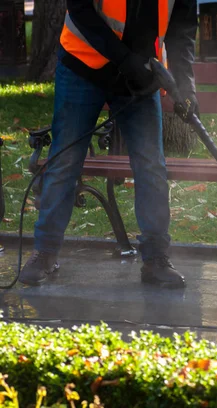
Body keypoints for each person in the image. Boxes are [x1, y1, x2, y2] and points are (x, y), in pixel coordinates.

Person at [18, 0, 199, 289]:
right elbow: (80, 10)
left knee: (151, 164)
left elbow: (181, 27)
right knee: (66, 159)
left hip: (141, 73)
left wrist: (185, 86)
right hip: (84, 64)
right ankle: (45, 252)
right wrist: (124, 60)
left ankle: (156, 259)